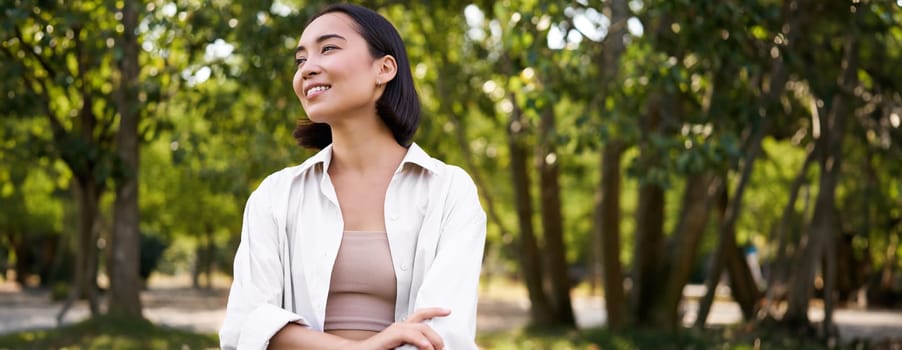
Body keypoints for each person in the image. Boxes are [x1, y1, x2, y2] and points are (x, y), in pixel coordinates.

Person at [219, 3, 487, 350]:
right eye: (300, 60)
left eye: (328, 48)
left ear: (384, 69)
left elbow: (442, 336)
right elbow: (244, 328)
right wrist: (360, 348)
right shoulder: (275, 195)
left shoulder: (449, 191)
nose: (307, 69)